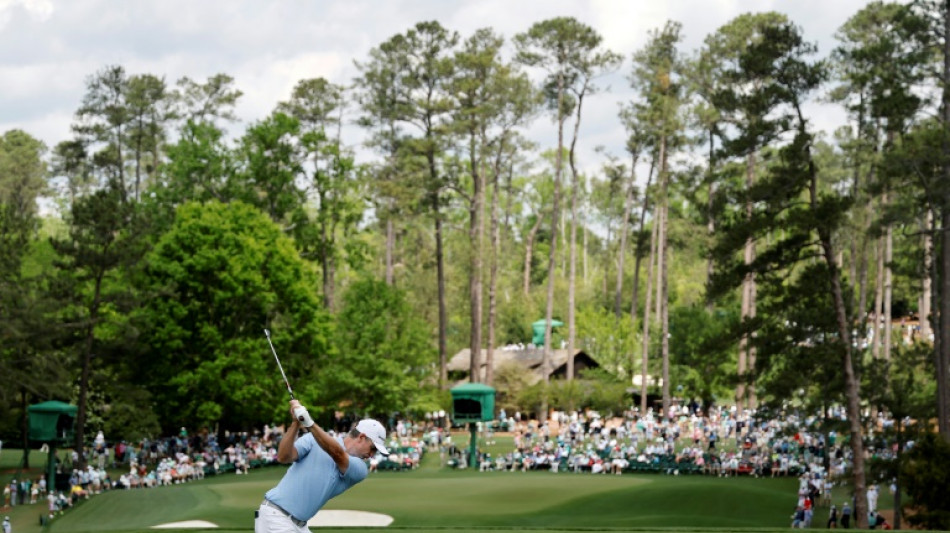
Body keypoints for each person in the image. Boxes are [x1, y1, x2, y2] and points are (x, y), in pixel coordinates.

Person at [255, 399, 389, 532]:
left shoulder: (360, 469)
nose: (371, 455)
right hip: (276, 516)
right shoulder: (313, 439)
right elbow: (284, 457)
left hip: (299, 525)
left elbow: (337, 453)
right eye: (373, 448)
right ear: (361, 437)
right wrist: (296, 422)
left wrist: (309, 422)